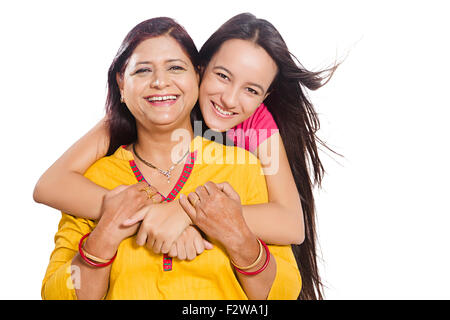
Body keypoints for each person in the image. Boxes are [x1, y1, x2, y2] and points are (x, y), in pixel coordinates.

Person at [35, 13, 337, 299]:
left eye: (175, 67)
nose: (229, 99)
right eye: (222, 76)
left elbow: (290, 228)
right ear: (203, 70)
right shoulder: (100, 169)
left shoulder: (252, 144)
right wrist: (121, 227)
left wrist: (196, 216)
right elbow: (50, 187)